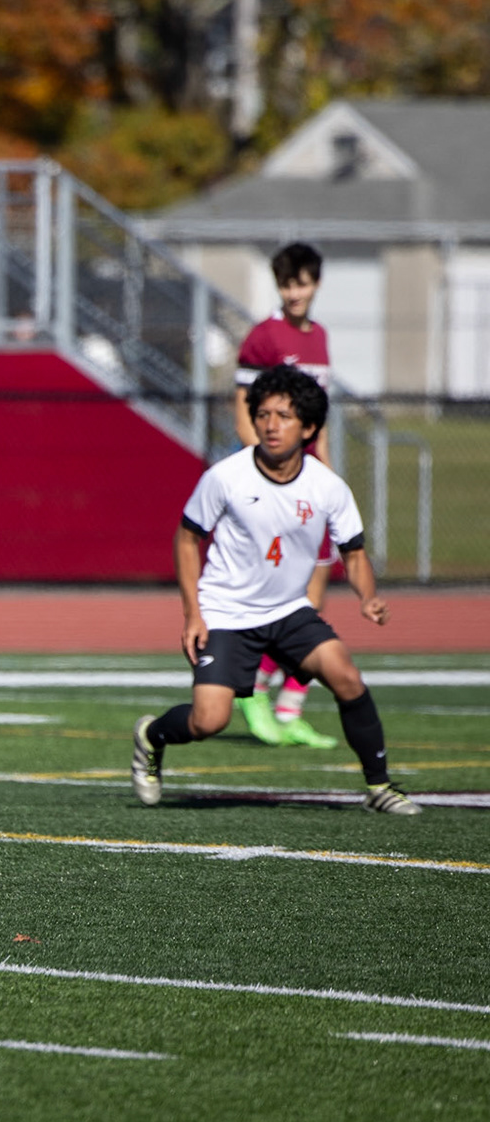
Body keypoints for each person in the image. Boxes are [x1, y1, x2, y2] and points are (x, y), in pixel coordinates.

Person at [131, 366, 415, 815]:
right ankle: (152, 736)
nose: (270, 424)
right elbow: (187, 538)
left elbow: (354, 553)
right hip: (226, 613)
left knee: (346, 676)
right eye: (263, 414)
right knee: (209, 720)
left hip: (288, 611)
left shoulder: (327, 486)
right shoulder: (227, 476)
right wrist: (193, 614)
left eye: (284, 415)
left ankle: (380, 787)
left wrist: (367, 596)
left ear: (309, 426)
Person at [230, 242, 340, 749]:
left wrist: (329, 478)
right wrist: (267, 475)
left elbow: (320, 420)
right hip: (279, 485)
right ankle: (254, 687)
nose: (295, 293)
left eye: (303, 282)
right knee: (288, 600)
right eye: (287, 284)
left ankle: (284, 704)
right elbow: (244, 414)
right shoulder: (264, 337)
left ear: (315, 283)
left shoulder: (319, 337)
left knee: (313, 603)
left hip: (312, 486)